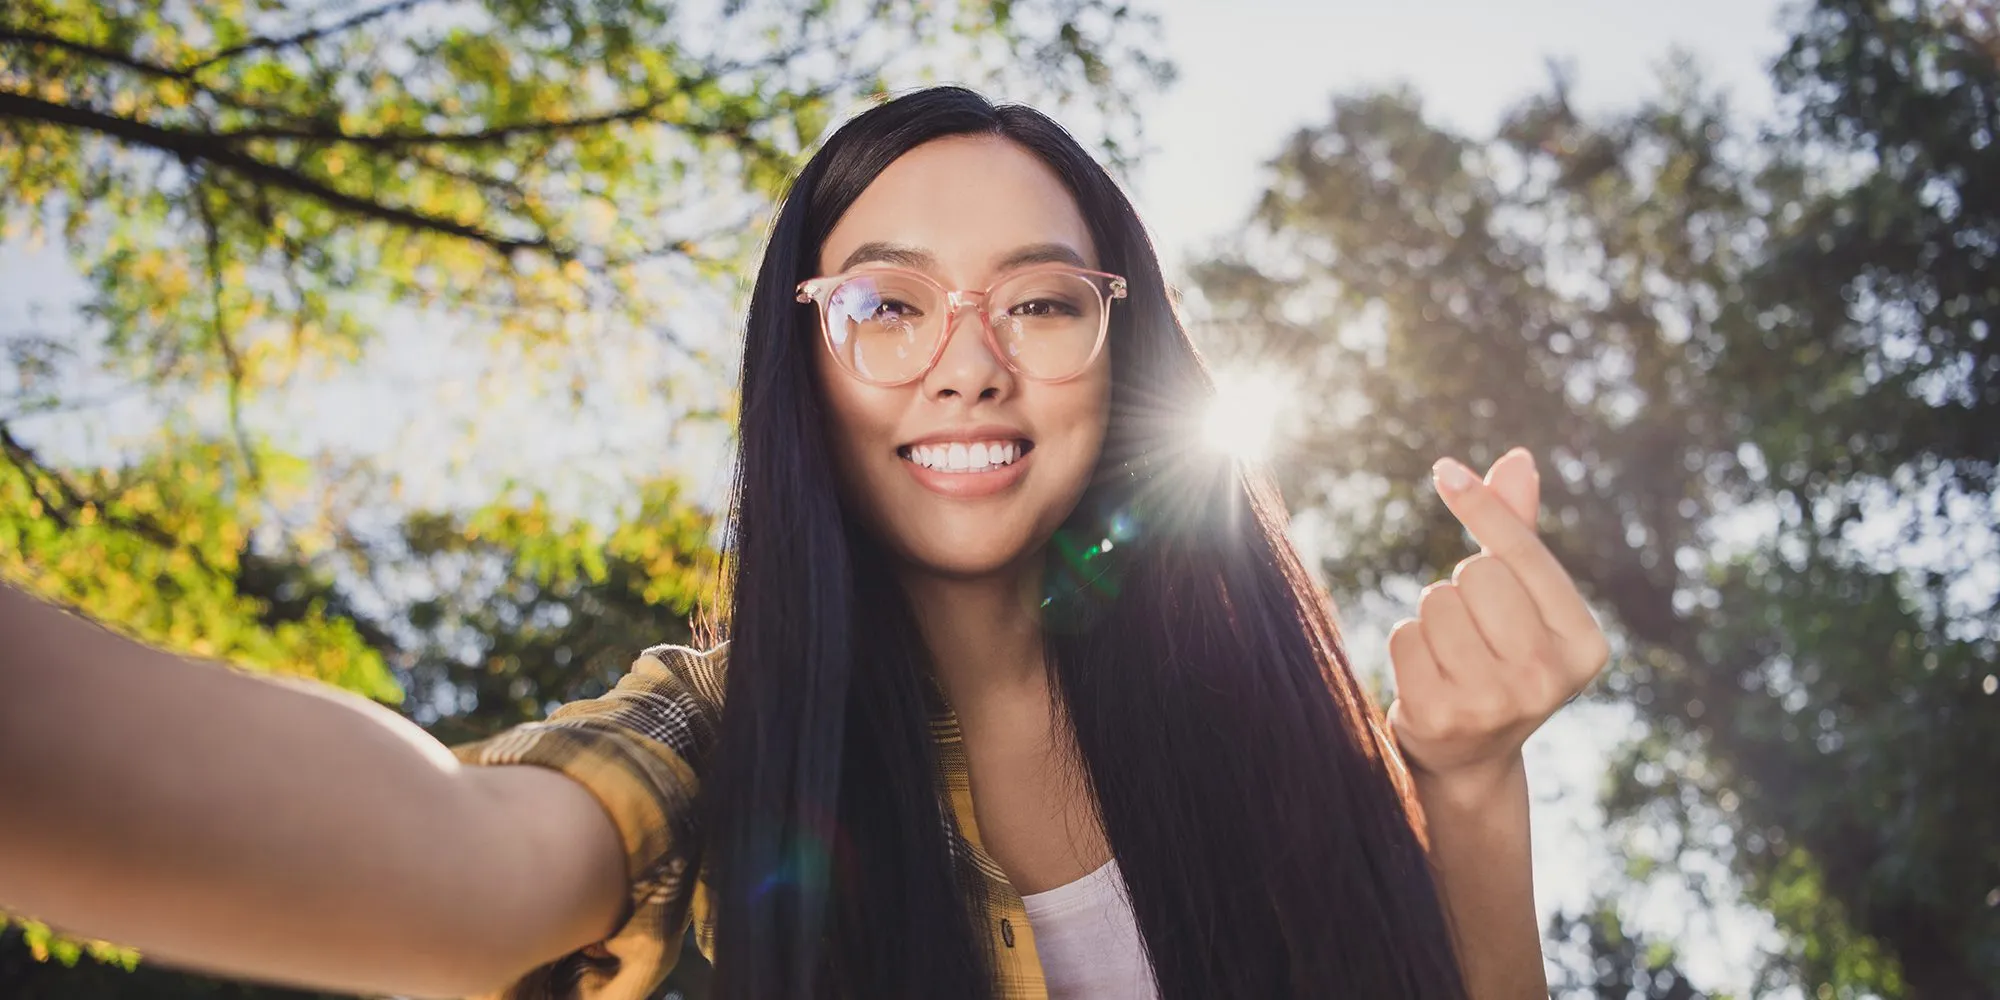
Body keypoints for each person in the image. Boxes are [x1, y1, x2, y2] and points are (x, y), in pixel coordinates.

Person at [0, 86, 1610, 1000]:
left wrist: (1471, 786)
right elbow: (445, 855)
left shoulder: (1273, 742)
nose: (968, 360)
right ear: (806, 362)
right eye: (888, 305)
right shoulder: (725, 742)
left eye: (1040, 302)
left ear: (1124, 360)